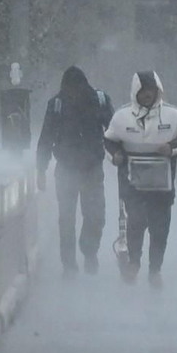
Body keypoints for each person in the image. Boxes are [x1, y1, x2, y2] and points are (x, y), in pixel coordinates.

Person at [104, 70, 177, 285]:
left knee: (160, 230)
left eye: (151, 91)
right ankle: (134, 263)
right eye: (143, 91)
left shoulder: (173, 117)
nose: (147, 95)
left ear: (158, 91)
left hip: (162, 188)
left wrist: (172, 148)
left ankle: (155, 270)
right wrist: (115, 156)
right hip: (132, 186)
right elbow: (108, 142)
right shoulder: (121, 117)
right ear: (135, 91)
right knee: (135, 224)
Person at [36, 66, 115, 274]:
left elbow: (113, 131)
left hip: (85, 168)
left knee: (88, 216)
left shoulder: (65, 103)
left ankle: (84, 254)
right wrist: (40, 169)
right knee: (75, 217)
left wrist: (41, 169)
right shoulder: (59, 105)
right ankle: (73, 262)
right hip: (72, 169)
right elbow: (46, 138)